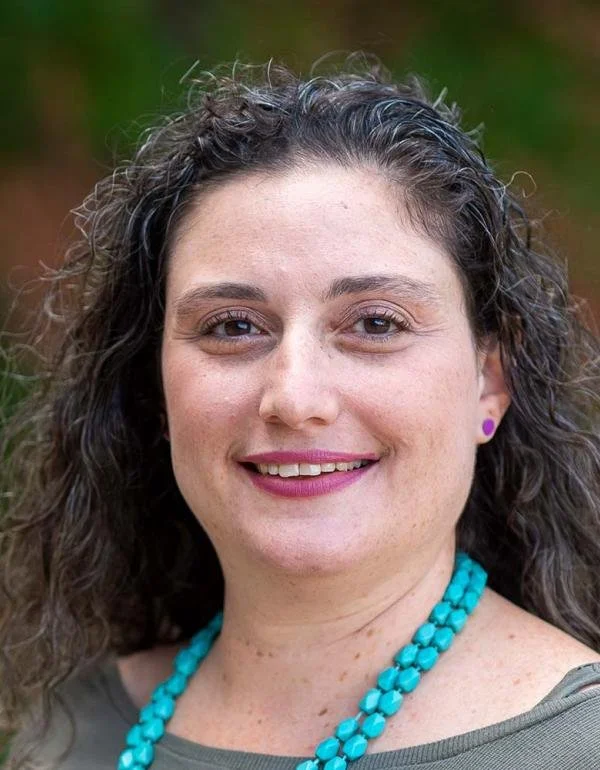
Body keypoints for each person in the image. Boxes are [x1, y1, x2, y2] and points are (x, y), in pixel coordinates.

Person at [2, 54, 600, 770]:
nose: (294, 397)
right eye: (232, 326)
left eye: (376, 324)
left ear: (489, 382)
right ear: (157, 389)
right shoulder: (71, 733)